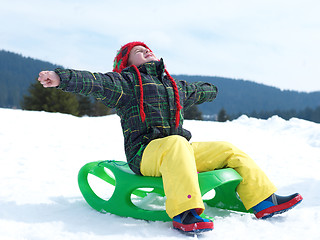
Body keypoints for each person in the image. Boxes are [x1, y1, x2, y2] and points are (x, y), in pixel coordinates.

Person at [38, 41, 303, 233]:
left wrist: (211, 90)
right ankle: (185, 212)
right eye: (138, 52)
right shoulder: (124, 84)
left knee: (226, 149)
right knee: (177, 143)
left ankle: (263, 200)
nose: (146, 51)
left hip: (177, 153)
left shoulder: (172, 85)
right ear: (127, 63)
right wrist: (61, 78)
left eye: (148, 48)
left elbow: (202, 90)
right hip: (145, 154)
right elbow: (94, 81)